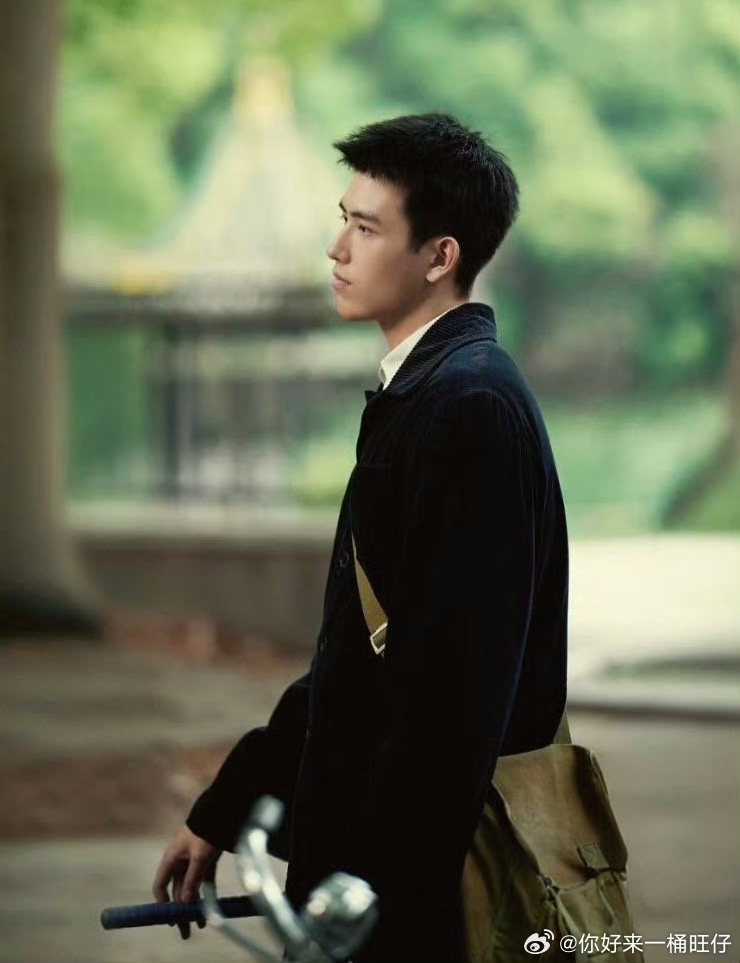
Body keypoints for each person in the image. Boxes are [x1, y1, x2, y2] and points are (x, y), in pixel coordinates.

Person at [153, 112, 569, 963]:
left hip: (413, 901)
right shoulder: (426, 392)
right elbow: (363, 655)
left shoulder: (468, 408)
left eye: (367, 229)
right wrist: (228, 805)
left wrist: (368, 898)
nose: (337, 248)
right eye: (343, 220)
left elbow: (452, 702)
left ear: (440, 256)